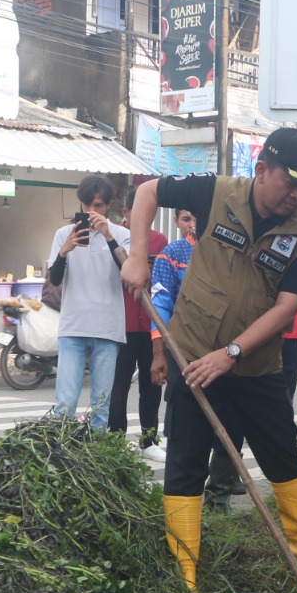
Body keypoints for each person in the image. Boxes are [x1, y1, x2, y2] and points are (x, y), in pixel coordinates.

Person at [121, 128, 297, 593]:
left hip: (253, 364)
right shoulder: (215, 192)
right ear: (262, 169)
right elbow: (147, 191)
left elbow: (287, 306)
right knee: (186, 460)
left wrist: (231, 354)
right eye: (289, 182)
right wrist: (137, 256)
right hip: (193, 355)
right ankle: (184, 562)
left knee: (281, 454)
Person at [147, 209, 245, 513]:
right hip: (184, 353)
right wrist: (159, 353)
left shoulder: (234, 252)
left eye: (198, 217)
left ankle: (219, 495)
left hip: (226, 354)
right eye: (187, 218)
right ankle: (180, 507)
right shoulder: (171, 254)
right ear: (179, 221)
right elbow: (161, 303)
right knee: (184, 428)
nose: (194, 224)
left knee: (232, 422)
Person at [47, 174, 130, 430]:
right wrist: (64, 251)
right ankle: (63, 460)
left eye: (99, 206)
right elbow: (55, 278)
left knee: (101, 407)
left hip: (108, 328)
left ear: (108, 206)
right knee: (65, 405)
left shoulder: (121, 234)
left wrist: (108, 237)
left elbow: (128, 273)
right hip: (73, 326)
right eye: (88, 206)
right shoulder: (64, 233)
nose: (92, 212)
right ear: (81, 204)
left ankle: (98, 464)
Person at [110, 186, 169, 460]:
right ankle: (115, 438)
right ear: (126, 212)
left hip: (150, 325)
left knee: (151, 384)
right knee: (118, 385)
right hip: (119, 325)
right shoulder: (114, 239)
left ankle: (148, 442)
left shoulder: (160, 240)